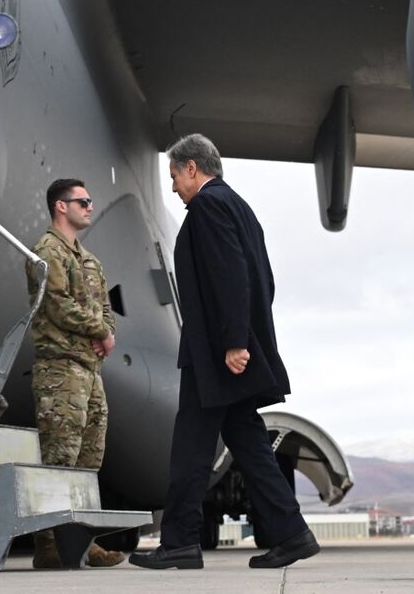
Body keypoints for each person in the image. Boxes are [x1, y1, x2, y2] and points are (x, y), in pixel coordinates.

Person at [129, 134, 320, 571]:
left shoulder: (209, 206)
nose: (174, 187)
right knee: (248, 442)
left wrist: (235, 342)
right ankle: (292, 533)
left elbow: (231, 276)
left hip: (218, 355)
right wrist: (246, 336)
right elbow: (264, 282)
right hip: (231, 349)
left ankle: (179, 542)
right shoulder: (240, 207)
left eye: (175, 176)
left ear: (192, 168)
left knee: (191, 447)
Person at [26, 179, 125, 569]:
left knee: (89, 457)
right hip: (60, 368)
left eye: (90, 200)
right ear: (60, 207)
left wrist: (108, 330)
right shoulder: (46, 251)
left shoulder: (89, 259)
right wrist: (99, 330)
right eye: (82, 201)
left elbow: (105, 305)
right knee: (59, 458)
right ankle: (48, 544)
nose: (89, 206)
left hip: (89, 368)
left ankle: (81, 540)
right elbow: (56, 305)